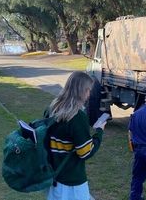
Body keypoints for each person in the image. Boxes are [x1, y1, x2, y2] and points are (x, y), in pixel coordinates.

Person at [46, 71, 107, 200]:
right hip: (72, 182)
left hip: (54, 177)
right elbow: (85, 152)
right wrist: (99, 132)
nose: (89, 94)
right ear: (82, 91)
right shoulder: (77, 117)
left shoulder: (51, 109)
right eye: (88, 90)